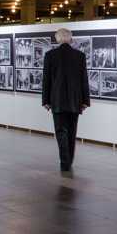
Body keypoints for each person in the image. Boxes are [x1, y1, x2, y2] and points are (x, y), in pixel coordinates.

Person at [42, 28, 90, 172]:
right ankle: (69, 160)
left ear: (57, 39)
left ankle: (65, 162)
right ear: (70, 39)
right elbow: (84, 80)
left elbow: (46, 80)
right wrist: (85, 101)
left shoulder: (50, 55)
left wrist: (45, 100)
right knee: (72, 131)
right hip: (75, 100)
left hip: (57, 100)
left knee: (61, 131)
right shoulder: (79, 55)